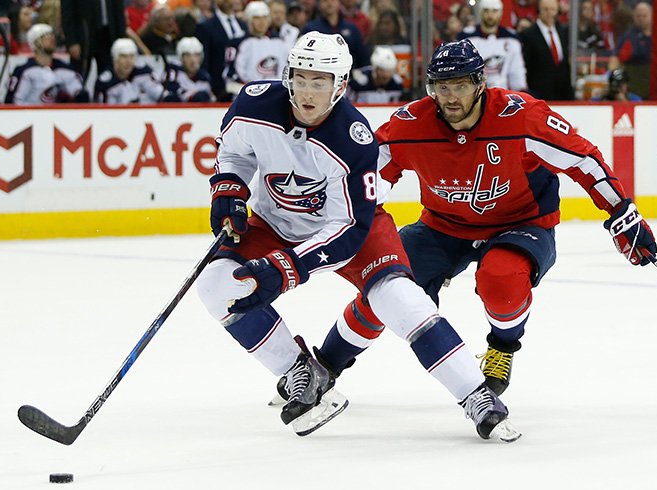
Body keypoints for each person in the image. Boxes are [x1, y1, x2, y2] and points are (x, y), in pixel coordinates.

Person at [195, 31, 521, 442]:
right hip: (272, 222)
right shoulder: (253, 103)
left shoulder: (354, 140)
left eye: (320, 82)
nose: (306, 92)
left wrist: (289, 267)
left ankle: (476, 396)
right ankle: (300, 371)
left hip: (352, 229)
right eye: (299, 78)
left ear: (341, 85)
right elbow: (235, 152)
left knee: (400, 298)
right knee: (214, 284)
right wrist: (229, 188)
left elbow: (346, 230)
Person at [313, 39, 657, 397]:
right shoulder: (412, 124)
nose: (449, 97)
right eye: (441, 87)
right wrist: (342, 210)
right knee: (387, 287)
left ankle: (501, 349)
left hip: (522, 224)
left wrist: (621, 212)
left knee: (501, 280)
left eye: (460, 85)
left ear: (480, 83)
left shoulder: (522, 116)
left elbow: (583, 160)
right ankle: (325, 365)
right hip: (441, 226)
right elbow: (370, 169)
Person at [4, 24, 89, 104]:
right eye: (46, 36)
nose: (52, 38)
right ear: (36, 42)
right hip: (30, 117)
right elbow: (12, 102)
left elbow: (82, 96)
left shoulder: (66, 69)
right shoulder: (23, 71)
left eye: (52, 35)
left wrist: (78, 94)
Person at [458, 0, 527, 92]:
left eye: (494, 11)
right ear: (480, 12)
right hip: (475, 94)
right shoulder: (466, 38)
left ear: (501, 13)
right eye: (486, 10)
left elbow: (517, 74)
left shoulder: (512, 39)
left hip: (503, 95)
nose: (490, 15)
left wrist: (521, 92)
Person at [224, 1, 288, 93]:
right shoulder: (237, 43)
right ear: (249, 20)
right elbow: (230, 73)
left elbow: (285, 69)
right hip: (247, 92)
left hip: (275, 92)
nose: (261, 22)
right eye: (257, 18)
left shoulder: (280, 41)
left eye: (264, 18)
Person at [519, 0, 573, 101]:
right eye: (545, 9)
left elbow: (565, 64)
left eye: (552, 9)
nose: (549, 13)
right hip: (539, 97)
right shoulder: (528, 35)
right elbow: (525, 66)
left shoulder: (563, 31)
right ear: (539, 10)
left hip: (562, 96)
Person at [60, 0, 127, 79]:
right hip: (83, 36)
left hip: (108, 36)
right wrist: (71, 41)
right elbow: (67, 13)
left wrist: (122, 41)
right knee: (80, 76)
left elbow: (119, 11)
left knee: (108, 76)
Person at [196, 0, 248, 99]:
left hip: (243, 86)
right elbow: (204, 60)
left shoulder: (243, 25)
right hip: (219, 89)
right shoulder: (205, 27)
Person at [93, 38, 164, 103]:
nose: (128, 61)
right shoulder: (105, 82)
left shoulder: (143, 72)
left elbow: (162, 95)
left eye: (131, 56)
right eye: (124, 56)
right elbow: (101, 111)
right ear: (115, 59)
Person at [163, 36, 215, 102]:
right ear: (181, 58)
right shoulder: (172, 74)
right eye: (188, 55)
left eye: (196, 55)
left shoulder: (205, 78)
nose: (192, 60)